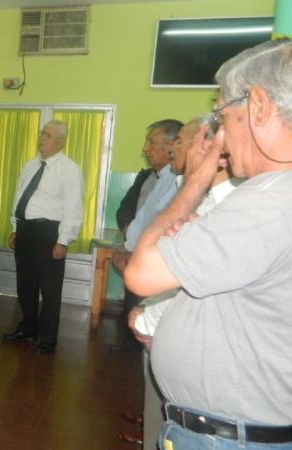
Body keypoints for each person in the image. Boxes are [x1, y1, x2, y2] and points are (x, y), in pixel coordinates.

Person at [125, 38, 292, 449]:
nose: (219, 133)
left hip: (230, 438)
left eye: (222, 115)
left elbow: (141, 272)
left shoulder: (270, 200)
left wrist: (196, 177)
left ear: (258, 107)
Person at [3, 120, 83, 355]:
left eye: (47, 135)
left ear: (60, 141)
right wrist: (15, 227)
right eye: (41, 134)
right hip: (25, 230)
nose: (41, 139)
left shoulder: (69, 169)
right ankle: (28, 328)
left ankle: (47, 339)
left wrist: (63, 241)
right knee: (25, 285)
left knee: (50, 289)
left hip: (49, 233)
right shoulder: (30, 165)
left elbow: (74, 208)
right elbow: (20, 197)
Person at [112, 119, 182, 351]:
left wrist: (135, 252)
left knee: (150, 328)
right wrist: (128, 247)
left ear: (172, 145)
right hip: (139, 259)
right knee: (135, 316)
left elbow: (159, 226)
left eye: (151, 142)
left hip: (156, 267)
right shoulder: (160, 177)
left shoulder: (179, 181)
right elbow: (141, 219)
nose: (145, 149)